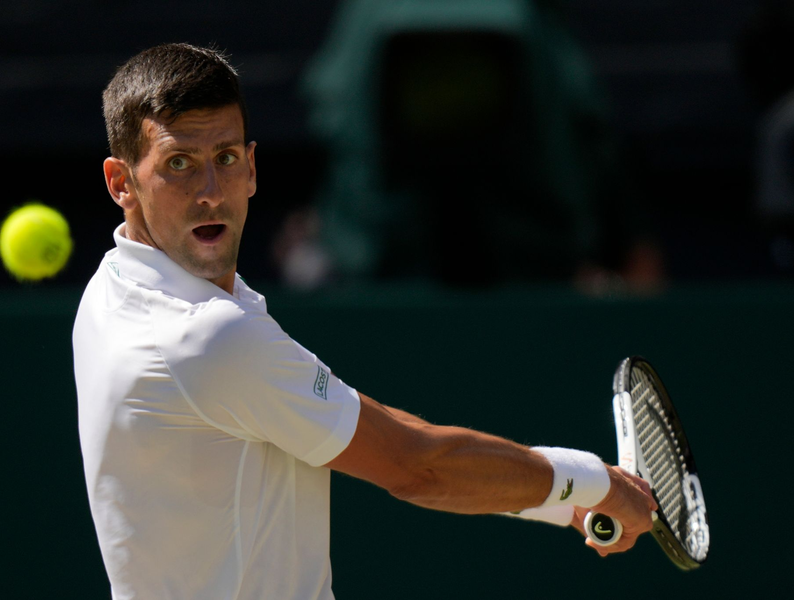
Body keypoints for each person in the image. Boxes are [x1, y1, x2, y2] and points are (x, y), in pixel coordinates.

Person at [73, 43, 657, 600]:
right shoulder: (205, 337)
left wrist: (559, 502)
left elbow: (361, 422)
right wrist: (595, 482)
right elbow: (416, 465)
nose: (209, 192)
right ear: (121, 182)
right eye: (178, 164)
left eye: (224, 158)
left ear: (252, 168)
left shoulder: (110, 292)